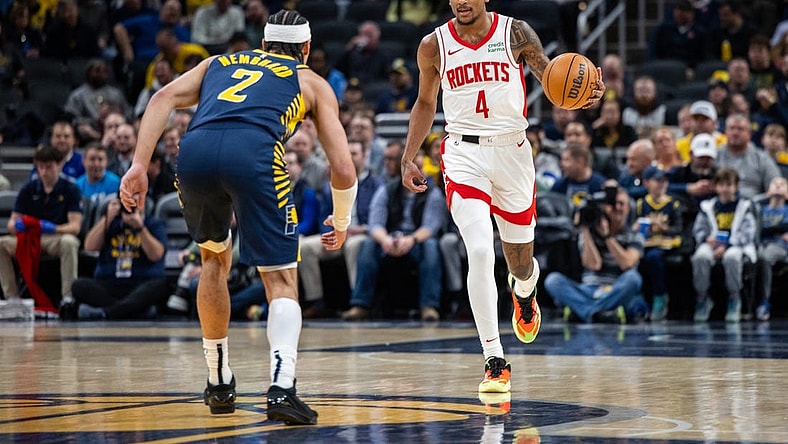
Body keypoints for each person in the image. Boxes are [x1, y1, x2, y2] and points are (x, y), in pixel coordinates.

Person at [118, 9, 357, 425]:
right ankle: (282, 388)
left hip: (194, 152)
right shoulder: (309, 81)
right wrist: (340, 220)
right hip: (254, 155)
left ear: (262, 44)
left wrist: (139, 164)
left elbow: (161, 98)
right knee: (281, 279)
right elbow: (343, 168)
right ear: (305, 49)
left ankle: (218, 378)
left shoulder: (218, 63)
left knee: (213, 259)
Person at [399, 0, 604, 394]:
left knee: (520, 262)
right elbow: (425, 102)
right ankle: (494, 360)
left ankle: (524, 292)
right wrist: (409, 156)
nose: (460, 1)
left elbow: (549, 73)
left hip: (512, 153)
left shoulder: (515, 32)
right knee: (478, 250)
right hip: (462, 152)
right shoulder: (433, 45)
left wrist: (581, 90)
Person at [0, 145, 83, 316]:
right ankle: (12, 299)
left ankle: (68, 298)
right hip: (31, 238)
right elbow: (10, 224)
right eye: (41, 167)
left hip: (55, 238)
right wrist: (17, 226)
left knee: (69, 242)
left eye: (49, 167)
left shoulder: (71, 189)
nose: (44, 172)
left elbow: (75, 227)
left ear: (59, 165)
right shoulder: (28, 189)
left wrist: (53, 228)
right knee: (1, 244)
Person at [544, 186, 644, 324]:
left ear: (629, 208)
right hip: (588, 289)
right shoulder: (590, 233)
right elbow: (593, 265)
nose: (617, 208)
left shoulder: (635, 235)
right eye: (613, 204)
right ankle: (599, 313)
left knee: (633, 278)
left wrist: (607, 236)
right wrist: (585, 230)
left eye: (622, 204)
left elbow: (627, 263)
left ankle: (584, 310)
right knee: (553, 280)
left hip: (615, 290)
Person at [60, 197, 169, 320]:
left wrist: (139, 227)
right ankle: (134, 311)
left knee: (159, 286)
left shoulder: (153, 224)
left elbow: (156, 255)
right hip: (110, 284)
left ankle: (107, 313)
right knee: (78, 285)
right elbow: (89, 247)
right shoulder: (111, 223)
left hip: (140, 283)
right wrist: (107, 218)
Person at [691, 168, 757, 323]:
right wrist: (706, 238)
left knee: (732, 257)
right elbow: (698, 229)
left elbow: (748, 233)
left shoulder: (745, 207)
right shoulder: (707, 206)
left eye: (729, 185)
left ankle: (734, 298)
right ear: (716, 187)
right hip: (712, 244)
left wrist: (727, 245)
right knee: (700, 256)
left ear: (736, 187)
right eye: (721, 185)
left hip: (736, 244)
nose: (725, 189)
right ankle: (702, 297)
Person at [632, 165, 684, 321]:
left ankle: (659, 297)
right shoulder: (640, 205)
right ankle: (638, 298)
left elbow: (679, 228)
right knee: (635, 259)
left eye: (664, 180)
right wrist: (637, 227)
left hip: (665, 244)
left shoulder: (673, 204)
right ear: (646, 183)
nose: (661, 184)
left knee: (653, 258)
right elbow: (632, 227)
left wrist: (663, 227)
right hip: (645, 243)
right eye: (657, 180)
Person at [755, 176, 788, 321]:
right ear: (768, 190)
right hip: (759, 244)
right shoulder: (759, 209)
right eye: (775, 184)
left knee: (765, 256)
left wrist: (767, 231)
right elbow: (756, 231)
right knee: (758, 255)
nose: (778, 186)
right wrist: (778, 230)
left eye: (782, 184)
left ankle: (764, 300)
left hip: (780, 247)